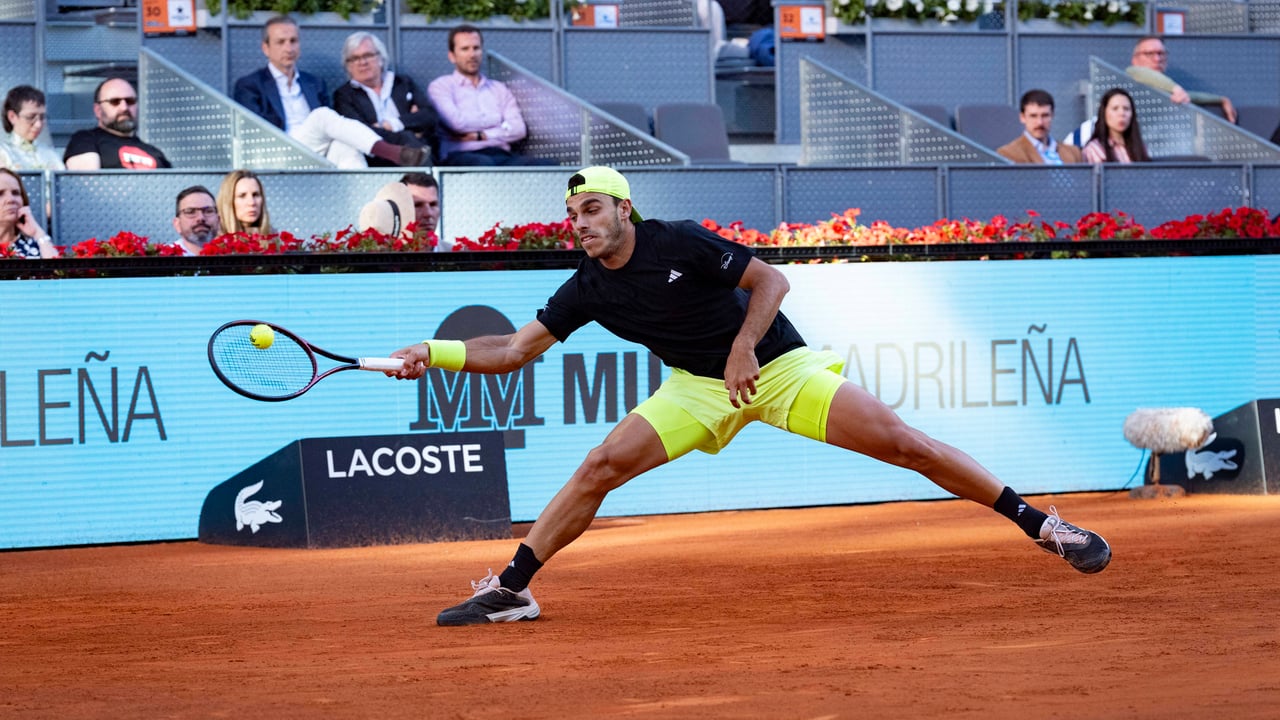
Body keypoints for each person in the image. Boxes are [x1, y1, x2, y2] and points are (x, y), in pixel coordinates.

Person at [386, 166, 1113, 627]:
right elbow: (513, 351)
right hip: (698, 389)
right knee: (600, 465)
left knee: (904, 445)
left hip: (777, 369)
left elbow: (771, 281)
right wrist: (433, 352)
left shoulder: (679, 241)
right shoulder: (588, 287)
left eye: (594, 209)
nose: (580, 224)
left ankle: (1040, 525)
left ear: (626, 211)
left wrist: (743, 348)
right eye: (573, 214)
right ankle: (514, 588)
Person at [232, 16, 427, 169]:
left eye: (293, 41)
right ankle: (392, 152)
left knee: (347, 147)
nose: (288, 48)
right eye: (280, 42)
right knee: (322, 115)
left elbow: (333, 128)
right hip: (278, 154)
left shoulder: (313, 83)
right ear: (266, 48)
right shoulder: (250, 85)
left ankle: (362, 212)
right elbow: (254, 132)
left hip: (313, 152)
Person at [427, 25, 554, 166]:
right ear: (452, 56)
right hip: (460, 155)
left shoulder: (499, 89)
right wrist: (498, 122)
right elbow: (457, 123)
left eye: (476, 48)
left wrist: (481, 135)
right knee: (483, 163)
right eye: (465, 49)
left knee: (547, 164)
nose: (472, 54)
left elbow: (519, 129)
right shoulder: (441, 86)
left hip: (500, 153)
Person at [332, 32, 438, 167]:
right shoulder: (344, 95)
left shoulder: (403, 83)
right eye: (354, 58)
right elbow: (359, 131)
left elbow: (429, 116)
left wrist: (392, 124)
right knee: (412, 143)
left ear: (381, 58)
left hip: (420, 151)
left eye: (368, 55)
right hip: (376, 160)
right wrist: (407, 132)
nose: (362, 62)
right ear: (348, 66)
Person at [63, 78, 171, 170]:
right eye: (115, 102)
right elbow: (87, 187)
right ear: (98, 110)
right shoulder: (85, 140)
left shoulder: (154, 152)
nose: (124, 108)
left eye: (130, 101)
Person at [1127, 36, 1235, 124]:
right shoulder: (1130, 74)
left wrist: (1220, 99)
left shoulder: (1165, 87)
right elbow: (1138, 72)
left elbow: (1190, 96)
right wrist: (1176, 89)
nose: (1157, 59)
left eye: (1161, 53)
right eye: (1149, 54)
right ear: (1135, 60)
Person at [997, 89, 1083, 165]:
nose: (1040, 122)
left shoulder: (1073, 152)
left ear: (1052, 116)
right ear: (1022, 117)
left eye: (1045, 115)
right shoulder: (1008, 154)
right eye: (1033, 116)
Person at [0, 85, 64, 170]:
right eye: (30, 117)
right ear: (12, 117)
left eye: (42, 117)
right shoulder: (3, 153)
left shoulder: (51, 154)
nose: (38, 124)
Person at [1082, 88, 1151, 164]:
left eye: (1126, 109)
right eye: (1115, 108)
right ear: (1104, 113)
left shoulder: (1140, 147)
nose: (1122, 113)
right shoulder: (1094, 149)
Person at [0, 168, 54, 258]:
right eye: (0, 194)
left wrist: (37, 232)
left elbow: (58, 271)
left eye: (16, 193)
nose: (11, 199)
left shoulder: (35, 243)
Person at [216, 169, 272, 236]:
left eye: (255, 195)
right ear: (228, 201)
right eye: (242, 196)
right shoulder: (215, 242)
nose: (252, 203)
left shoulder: (274, 240)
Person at [172, 185, 220, 256]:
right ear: (177, 224)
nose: (201, 218)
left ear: (218, 221)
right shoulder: (163, 259)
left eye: (208, 211)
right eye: (190, 212)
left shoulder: (233, 256)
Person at [400, 171, 440, 240]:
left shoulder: (451, 250)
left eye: (433, 204)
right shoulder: (384, 250)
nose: (428, 213)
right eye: (417, 205)